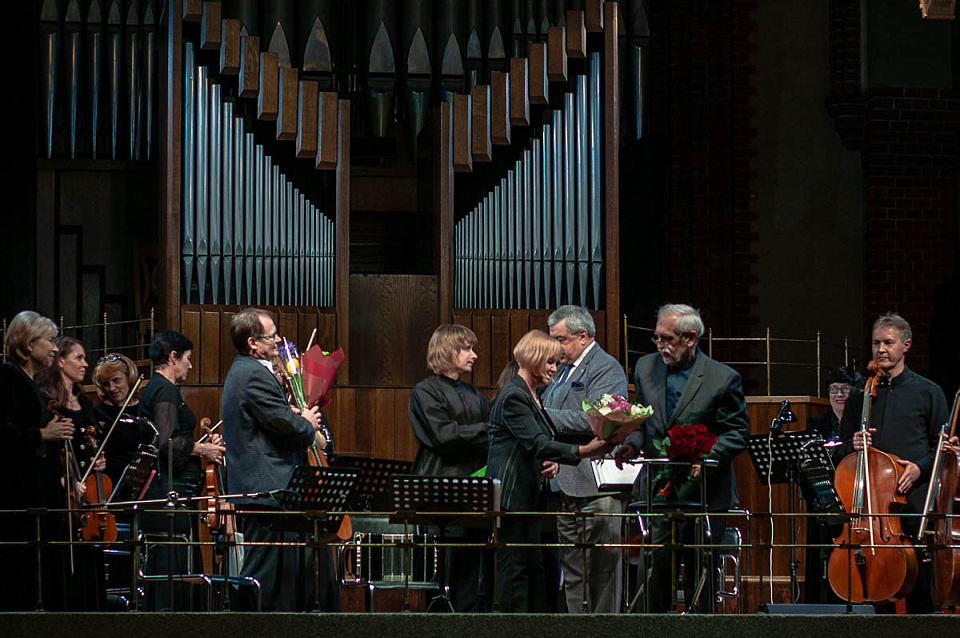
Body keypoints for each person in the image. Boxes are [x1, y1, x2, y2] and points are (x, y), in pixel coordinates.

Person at [615, 304, 749, 613]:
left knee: (700, 577)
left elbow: (738, 432)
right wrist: (632, 445)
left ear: (690, 338)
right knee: (654, 572)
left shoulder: (722, 378)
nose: (659, 346)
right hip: (659, 493)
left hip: (704, 494)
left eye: (666, 339)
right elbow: (644, 420)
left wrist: (707, 455)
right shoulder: (646, 367)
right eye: (656, 339)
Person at [486, 330, 615, 612]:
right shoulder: (514, 397)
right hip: (512, 500)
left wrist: (554, 461)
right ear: (533, 360)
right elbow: (538, 443)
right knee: (515, 575)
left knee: (534, 573)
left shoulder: (532, 395)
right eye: (550, 363)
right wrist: (583, 452)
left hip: (529, 499)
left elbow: (538, 442)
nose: (555, 369)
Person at [221, 308, 335, 611]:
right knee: (264, 571)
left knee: (276, 572)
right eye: (271, 336)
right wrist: (306, 422)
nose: (278, 341)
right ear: (252, 343)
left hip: (268, 487)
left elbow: (270, 419)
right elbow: (283, 424)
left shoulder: (248, 371)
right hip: (266, 486)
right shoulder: (253, 374)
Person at [839, 312, 949, 613]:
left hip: (914, 503)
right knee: (878, 593)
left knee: (921, 591)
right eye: (876, 343)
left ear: (906, 345)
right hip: (872, 510)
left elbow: (943, 450)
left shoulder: (928, 392)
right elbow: (839, 447)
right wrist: (852, 443)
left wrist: (919, 468)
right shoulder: (860, 393)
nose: (881, 350)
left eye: (889, 342)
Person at [540, 305, 629, 613]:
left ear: (583, 336)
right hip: (565, 483)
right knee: (574, 572)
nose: (555, 346)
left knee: (604, 571)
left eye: (560, 339)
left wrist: (541, 416)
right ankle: (576, 627)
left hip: (597, 486)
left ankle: (605, 631)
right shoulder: (561, 370)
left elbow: (601, 419)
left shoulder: (605, 367)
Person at [138, 330, 223, 610]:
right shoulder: (164, 389)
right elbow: (167, 441)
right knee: (173, 564)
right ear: (173, 357)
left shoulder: (153, 388)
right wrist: (203, 450)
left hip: (165, 488)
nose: (190, 365)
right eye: (187, 358)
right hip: (170, 490)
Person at [408, 324, 490, 612]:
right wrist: (484, 431)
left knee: (469, 568)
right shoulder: (425, 391)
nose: (474, 355)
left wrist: (481, 433)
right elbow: (443, 436)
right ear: (448, 350)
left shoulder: (473, 393)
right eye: (467, 348)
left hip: (472, 487)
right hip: (439, 487)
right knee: (442, 567)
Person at [0, 311, 75, 610]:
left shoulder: (31, 383)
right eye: (50, 340)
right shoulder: (8, 376)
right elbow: (2, 429)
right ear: (29, 344)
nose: (55, 348)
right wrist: (43, 434)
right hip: (19, 488)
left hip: (38, 485)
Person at [34, 336, 108, 611]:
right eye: (78, 357)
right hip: (63, 490)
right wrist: (66, 478)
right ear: (60, 361)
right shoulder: (47, 402)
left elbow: (92, 444)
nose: (84, 363)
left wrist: (99, 461)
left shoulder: (85, 403)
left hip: (88, 494)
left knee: (91, 555)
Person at [803, 365, 859, 605]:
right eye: (833, 390)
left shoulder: (858, 426)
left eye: (844, 390)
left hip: (852, 497)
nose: (838, 395)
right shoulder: (817, 423)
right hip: (824, 497)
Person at [92, 353, 151, 485]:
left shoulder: (144, 409)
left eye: (116, 380)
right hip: (110, 481)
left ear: (129, 378)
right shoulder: (97, 413)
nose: (112, 388)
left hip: (142, 479)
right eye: (105, 384)